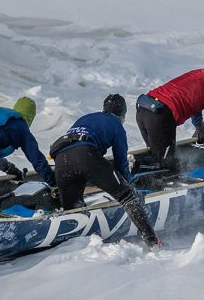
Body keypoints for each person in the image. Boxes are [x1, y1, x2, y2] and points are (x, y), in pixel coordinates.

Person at [50, 94, 161, 248]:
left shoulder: (87, 117)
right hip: (84, 154)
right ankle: (152, 241)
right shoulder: (117, 125)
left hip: (61, 159)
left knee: (73, 210)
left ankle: (74, 245)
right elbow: (121, 162)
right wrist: (127, 187)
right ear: (123, 113)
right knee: (128, 196)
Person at [135, 58, 204, 173]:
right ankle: (161, 184)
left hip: (143, 109)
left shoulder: (198, 73)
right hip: (159, 115)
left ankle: (144, 176)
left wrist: (200, 128)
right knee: (166, 165)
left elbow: (194, 101)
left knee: (157, 158)